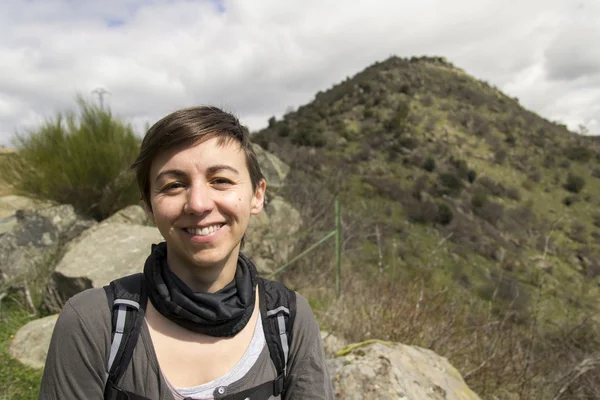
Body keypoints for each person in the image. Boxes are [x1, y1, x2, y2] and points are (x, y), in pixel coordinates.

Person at [39, 106, 334, 400]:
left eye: (220, 180)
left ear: (257, 195)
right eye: (174, 185)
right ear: (149, 208)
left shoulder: (288, 320)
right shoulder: (94, 323)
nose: (198, 204)